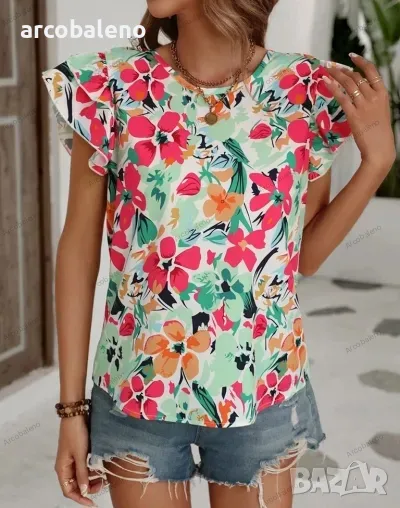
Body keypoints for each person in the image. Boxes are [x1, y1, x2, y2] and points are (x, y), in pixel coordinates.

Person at [42, 0, 395, 507]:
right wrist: (71, 410)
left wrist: (377, 163)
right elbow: (77, 251)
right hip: (137, 388)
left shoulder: (307, 91)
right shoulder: (108, 85)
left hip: (263, 388)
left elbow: (305, 258)